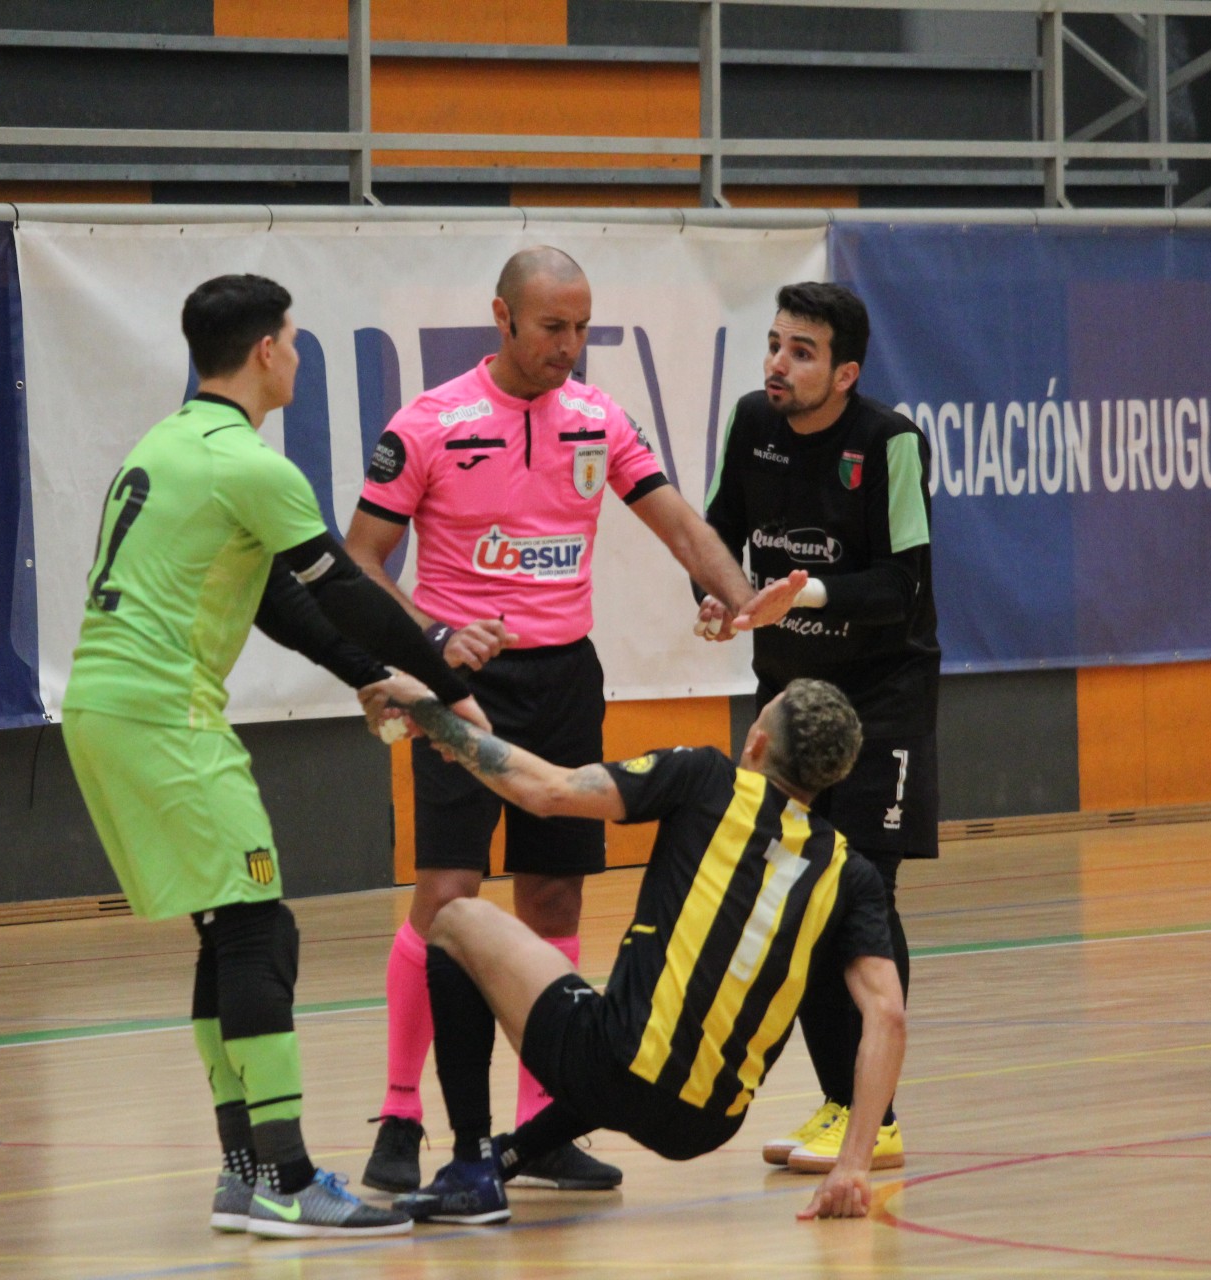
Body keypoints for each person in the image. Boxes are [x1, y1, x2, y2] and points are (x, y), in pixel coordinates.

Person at [345, 246, 799, 1193]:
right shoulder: (428, 423)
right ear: (503, 317)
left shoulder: (599, 418)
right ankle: (401, 1114)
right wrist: (435, 636)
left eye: (583, 327)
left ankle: (540, 1127)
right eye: (553, 326)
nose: (570, 345)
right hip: (459, 687)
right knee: (447, 895)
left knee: (552, 900)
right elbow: (359, 562)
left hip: (564, 680)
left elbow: (680, 524)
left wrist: (740, 597)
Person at [62, 273, 482, 1239]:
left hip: (107, 710)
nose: (296, 354)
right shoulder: (251, 465)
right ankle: (285, 1178)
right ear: (265, 351)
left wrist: (370, 676)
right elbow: (348, 592)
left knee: (232, 929)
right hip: (164, 717)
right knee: (260, 931)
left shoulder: (168, 443)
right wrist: (449, 688)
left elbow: (275, 601)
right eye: (292, 340)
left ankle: (245, 1173)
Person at [366, 673, 907, 1225]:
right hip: (708, 1124)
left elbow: (547, 791)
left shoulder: (707, 779)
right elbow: (887, 1014)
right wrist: (853, 1165)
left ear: (757, 743)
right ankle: (516, 1152)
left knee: (456, 920)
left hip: (613, 1065)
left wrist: (434, 717)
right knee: (640, 1033)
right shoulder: (850, 873)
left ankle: (470, 1169)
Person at [695, 281, 936, 1174]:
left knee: (864, 888)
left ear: (845, 373)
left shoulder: (889, 442)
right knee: (798, 892)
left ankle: (879, 1117)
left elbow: (903, 584)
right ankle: (841, 1102)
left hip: (881, 697)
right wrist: (716, 599)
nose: (778, 364)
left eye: (801, 352)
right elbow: (716, 534)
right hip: (788, 696)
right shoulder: (750, 424)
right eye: (774, 344)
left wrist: (804, 595)